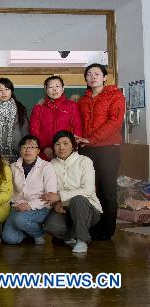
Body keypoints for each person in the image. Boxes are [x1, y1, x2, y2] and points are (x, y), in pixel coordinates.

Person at [77, 63, 125, 241]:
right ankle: (94, 226)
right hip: (87, 150)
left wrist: (92, 139)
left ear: (105, 77)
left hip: (108, 149)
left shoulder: (115, 95)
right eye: (89, 74)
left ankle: (108, 230)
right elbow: (79, 124)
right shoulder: (82, 100)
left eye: (97, 74)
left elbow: (115, 123)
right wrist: (80, 138)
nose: (93, 77)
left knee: (108, 191)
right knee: (90, 190)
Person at [43, 130, 103, 253]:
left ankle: (82, 240)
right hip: (64, 210)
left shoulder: (84, 161)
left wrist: (60, 196)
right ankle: (70, 235)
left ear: (73, 146)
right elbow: (49, 191)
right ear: (53, 147)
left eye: (66, 143)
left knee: (79, 199)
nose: (61, 148)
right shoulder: (51, 164)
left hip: (88, 210)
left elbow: (88, 190)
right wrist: (55, 204)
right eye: (57, 144)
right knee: (51, 226)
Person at [2, 135, 57, 245]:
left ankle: (38, 233)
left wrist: (30, 205)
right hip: (17, 206)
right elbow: (9, 190)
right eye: (24, 147)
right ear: (20, 150)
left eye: (32, 147)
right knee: (9, 238)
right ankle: (28, 230)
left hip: (40, 207)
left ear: (38, 151)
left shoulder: (47, 167)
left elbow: (50, 195)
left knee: (20, 220)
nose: (28, 150)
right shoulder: (13, 167)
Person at [29, 76, 83, 160]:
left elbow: (77, 128)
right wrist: (44, 147)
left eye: (57, 86)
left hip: (67, 152)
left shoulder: (72, 106)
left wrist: (68, 147)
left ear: (63, 88)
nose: (54, 89)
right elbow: (34, 131)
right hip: (45, 153)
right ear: (46, 90)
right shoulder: (39, 108)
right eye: (50, 87)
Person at [0, 77, 29, 163]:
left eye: (7, 89)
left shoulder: (20, 108)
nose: (4, 93)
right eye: (0, 90)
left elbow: (25, 132)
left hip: (17, 152)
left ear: (11, 91)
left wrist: (25, 150)